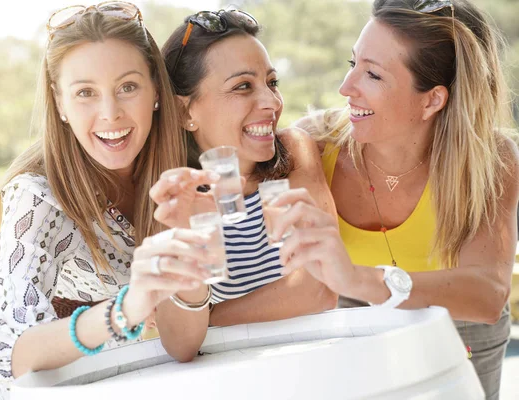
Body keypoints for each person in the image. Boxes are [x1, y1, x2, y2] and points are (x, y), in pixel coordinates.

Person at [0, 3, 212, 398]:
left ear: (156, 91)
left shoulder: (179, 177)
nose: (110, 113)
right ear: (60, 103)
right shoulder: (38, 197)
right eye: (85, 93)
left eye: (127, 87)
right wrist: (126, 308)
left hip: (112, 377)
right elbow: (17, 352)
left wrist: (192, 252)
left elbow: (184, 344)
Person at [277, 0, 518, 398]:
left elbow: (487, 294)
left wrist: (360, 278)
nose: (345, 88)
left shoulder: (491, 161)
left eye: (372, 74)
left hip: (460, 324)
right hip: (356, 315)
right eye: (352, 63)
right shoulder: (315, 146)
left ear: (431, 100)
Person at [149, 9, 338, 329]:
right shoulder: (171, 194)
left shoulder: (293, 152)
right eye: (242, 86)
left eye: (272, 82)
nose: (273, 102)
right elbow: (173, 333)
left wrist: (204, 321)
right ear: (185, 112)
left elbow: (319, 288)